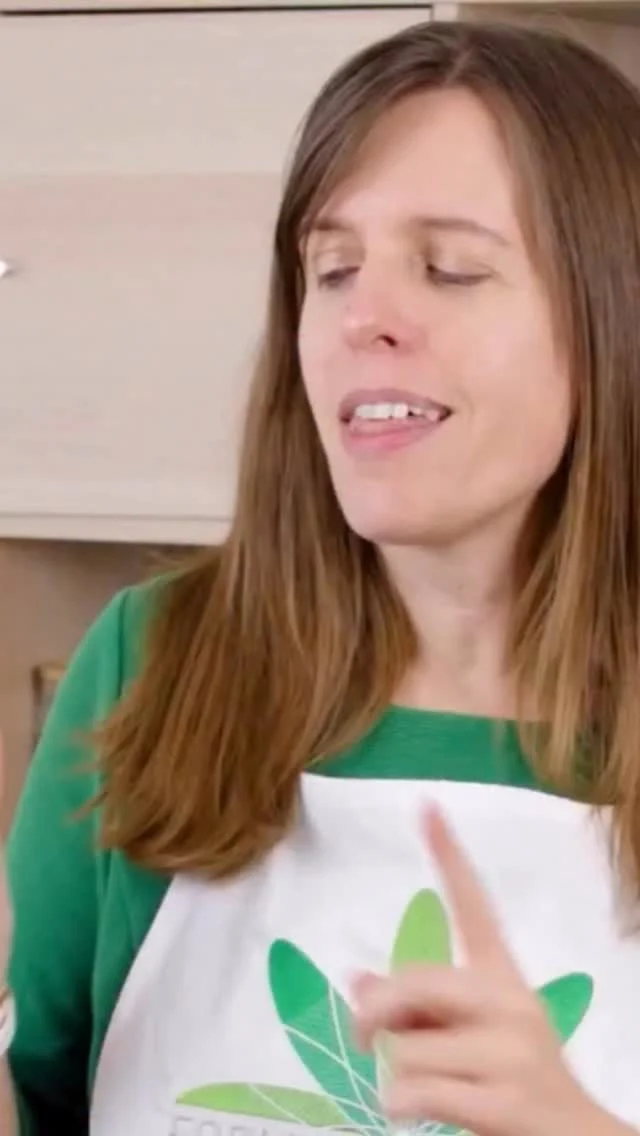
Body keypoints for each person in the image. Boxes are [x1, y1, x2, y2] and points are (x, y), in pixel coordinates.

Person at [2, 16, 640, 1135]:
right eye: (332, 269)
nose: (363, 318)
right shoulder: (154, 662)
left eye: (450, 268)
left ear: (610, 318)